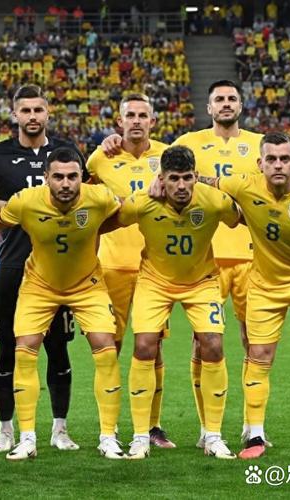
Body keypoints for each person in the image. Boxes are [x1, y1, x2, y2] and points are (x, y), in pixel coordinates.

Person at [104, 79, 264, 447]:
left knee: (248, 343)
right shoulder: (186, 143)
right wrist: (113, 145)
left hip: (241, 260)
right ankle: (167, 431)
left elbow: (252, 205)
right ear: (209, 107)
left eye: (232, 98)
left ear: (241, 104)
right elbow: (160, 170)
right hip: (180, 265)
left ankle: (245, 428)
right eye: (219, 99)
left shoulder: (259, 147)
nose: (226, 103)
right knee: (172, 344)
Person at [197, 132, 290, 460]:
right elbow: (203, 181)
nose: (278, 165)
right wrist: (165, 179)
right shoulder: (244, 185)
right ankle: (255, 435)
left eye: (284, 159)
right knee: (259, 354)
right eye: (271, 159)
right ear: (260, 163)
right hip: (265, 285)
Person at [0, 147, 125, 460]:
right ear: (46, 178)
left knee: (106, 348)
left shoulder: (99, 197)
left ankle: (108, 437)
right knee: (24, 349)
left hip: (87, 285)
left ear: (82, 178)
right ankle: (27, 438)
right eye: (58, 177)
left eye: (72, 177)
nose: (66, 183)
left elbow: (128, 213)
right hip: (39, 286)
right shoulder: (26, 201)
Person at [0, 85, 82, 453]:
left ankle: (60, 429)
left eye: (38, 110)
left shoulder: (66, 153)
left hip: (59, 269)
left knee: (58, 348)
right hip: (13, 264)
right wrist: (1, 205)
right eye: (26, 110)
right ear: (14, 114)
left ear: (48, 113)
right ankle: (6, 430)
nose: (32, 116)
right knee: (7, 347)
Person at [112, 145, 238, 460]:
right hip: (154, 281)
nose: (181, 186)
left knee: (213, 344)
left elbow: (241, 217)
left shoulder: (214, 200)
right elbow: (107, 222)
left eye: (187, 178)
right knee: (144, 345)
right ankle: (140, 436)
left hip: (202, 281)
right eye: (173, 179)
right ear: (162, 178)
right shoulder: (142, 202)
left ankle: (213, 436)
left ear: (196, 176)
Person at [85, 93, 175, 449]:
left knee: (153, 347)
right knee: (110, 348)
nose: (136, 120)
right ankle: (108, 429)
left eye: (143, 115)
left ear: (152, 121)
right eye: (130, 115)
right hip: (112, 267)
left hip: (154, 267)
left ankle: (152, 426)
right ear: (119, 121)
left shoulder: (168, 156)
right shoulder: (100, 159)